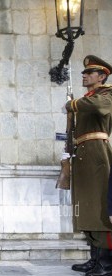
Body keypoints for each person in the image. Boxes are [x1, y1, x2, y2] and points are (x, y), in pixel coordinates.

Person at [64, 55, 112, 276]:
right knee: (87, 209)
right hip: (83, 155)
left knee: (100, 211)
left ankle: (106, 263)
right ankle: (95, 259)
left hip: (97, 156)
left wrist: (71, 104)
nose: (84, 75)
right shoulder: (90, 96)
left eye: (89, 73)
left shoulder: (106, 95)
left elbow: (95, 106)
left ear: (102, 76)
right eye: (84, 73)